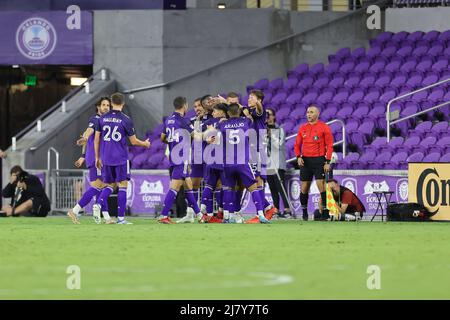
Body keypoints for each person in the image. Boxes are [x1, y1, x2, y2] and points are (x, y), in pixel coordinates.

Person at [94, 92, 150, 225]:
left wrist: (97, 157)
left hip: (106, 157)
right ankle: (121, 219)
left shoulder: (101, 118)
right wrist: (145, 144)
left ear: (111, 103)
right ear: (123, 104)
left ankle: (98, 203)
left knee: (109, 185)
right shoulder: (126, 120)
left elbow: (96, 139)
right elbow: (134, 141)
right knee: (123, 185)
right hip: (120, 157)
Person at [215, 103, 270, 223]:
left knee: (229, 188)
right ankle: (261, 214)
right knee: (253, 188)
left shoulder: (222, 124)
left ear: (228, 113)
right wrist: (243, 110)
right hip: (242, 162)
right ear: (238, 111)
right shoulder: (246, 121)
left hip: (228, 163)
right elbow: (250, 117)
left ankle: (228, 217)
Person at [67, 97, 112, 225]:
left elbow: (88, 138)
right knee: (104, 186)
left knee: (101, 188)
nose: (106, 107)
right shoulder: (96, 119)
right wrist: (85, 137)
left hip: (98, 157)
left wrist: (82, 156)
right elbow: (88, 131)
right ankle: (75, 210)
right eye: (103, 105)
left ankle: (105, 217)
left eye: (108, 105)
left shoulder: (106, 121)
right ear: (98, 107)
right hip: (97, 158)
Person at [159, 96, 202, 224]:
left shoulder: (168, 120)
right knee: (175, 188)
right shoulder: (184, 121)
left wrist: (173, 141)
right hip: (181, 157)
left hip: (173, 156)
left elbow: (162, 138)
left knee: (188, 186)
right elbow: (197, 137)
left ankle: (199, 215)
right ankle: (163, 215)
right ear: (185, 106)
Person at [243, 90, 278, 224]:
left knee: (255, 180)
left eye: (252, 97)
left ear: (259, 100)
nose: (249, 99)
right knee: (254, 180)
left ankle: (262, 213)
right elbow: (241, 108)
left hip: (257, 150)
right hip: (254, 150)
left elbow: (260, 109)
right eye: (249, 97)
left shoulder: (260, 112)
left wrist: (258, 104)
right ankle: (268, 208)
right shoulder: (249, 112)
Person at [294, 105, 333, 221]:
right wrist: (298, 157)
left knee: (321, 185)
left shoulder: (324, 127)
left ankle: (325, 212)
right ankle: (304, 212)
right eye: (307, 112)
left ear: (317, 114)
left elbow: (329, 145)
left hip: (319, 160)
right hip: (305, 161)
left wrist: (327, 161)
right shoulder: (303, 128)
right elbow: (297, 145)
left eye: (311, 112)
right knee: (304, 187)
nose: (308, 114)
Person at [265, 108, 291, 217]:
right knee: (272, 187)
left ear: (274, 116)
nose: (267, 117)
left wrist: (271, 135)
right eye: (266, 115)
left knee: (280, 186)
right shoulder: (263, 129)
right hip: (267, 162)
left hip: (278, 162)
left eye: (269, 115)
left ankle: (287, 209)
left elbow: (278, 145)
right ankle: (276, 209)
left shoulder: (279, 129)